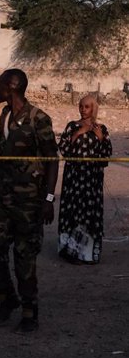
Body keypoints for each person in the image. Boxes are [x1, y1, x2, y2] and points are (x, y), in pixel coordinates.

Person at [0, 68, 58, 333]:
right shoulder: (4, 114)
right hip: (3, 198)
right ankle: (6, 299)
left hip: (29, 203)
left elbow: (52, 160)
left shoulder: (38, 119)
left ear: (11, 86)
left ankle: (29, 311)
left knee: (24, 257)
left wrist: (48, 198)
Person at [57, 95, 112, 264]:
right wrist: (77, 135)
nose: (83, 109)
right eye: (81, 106)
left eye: (87, 106)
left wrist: (100, 137)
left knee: (90, 213)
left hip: (92, 181)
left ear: (93, 108)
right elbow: (64, 150)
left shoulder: (101, 128)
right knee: (72, 212)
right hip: (73, 179)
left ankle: (88, 254)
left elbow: (106, 155)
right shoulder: (72, 126)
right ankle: (70, 252)